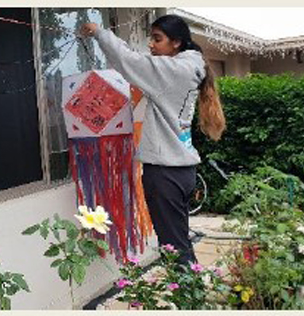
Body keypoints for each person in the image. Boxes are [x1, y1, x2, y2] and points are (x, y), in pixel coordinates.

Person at [79, 14, 226, 265]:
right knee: (179, 239)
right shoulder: (189, 68)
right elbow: (138, 62)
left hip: (165, 173)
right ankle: (192, 287)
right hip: (181, 170)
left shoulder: (174, 71)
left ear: (176, 43)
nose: (151, 44)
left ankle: (187, 295)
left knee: (173, 247)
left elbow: (129, 61)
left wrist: (99, 32)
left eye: (157, 39)